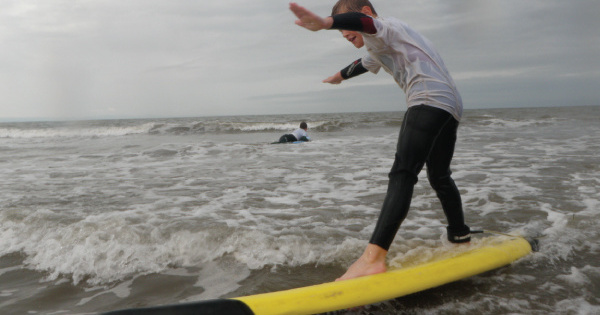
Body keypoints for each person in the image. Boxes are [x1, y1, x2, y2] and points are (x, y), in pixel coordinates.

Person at [290, 0, 471, 281]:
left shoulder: (385, 27)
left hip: (426, 97)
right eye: (345, 37)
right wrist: (337, 77)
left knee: (402, 172)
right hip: (450, 104)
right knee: (439, 175)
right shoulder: (387, 42)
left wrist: (327, 22)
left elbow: (370, 25)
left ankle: (372, 259)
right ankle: (460, 236)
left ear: (364, 13)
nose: (349, 39)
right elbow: (363, 63)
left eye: (350, 31)